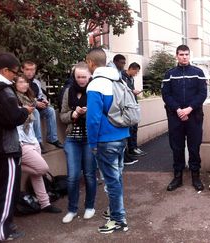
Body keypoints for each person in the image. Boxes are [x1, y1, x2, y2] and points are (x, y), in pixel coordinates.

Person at [86, 48, 130, 233]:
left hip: (105, 140)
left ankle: (118, 220)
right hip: (122, 136)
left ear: (90, 63)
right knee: (116, 178)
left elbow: (93, 119)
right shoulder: (117, 79)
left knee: (111, 181)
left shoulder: (96, 84)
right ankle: (114, 210)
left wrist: (92, 143)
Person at [0, 52, 31, 241]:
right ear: (5, 70)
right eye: (15, 73)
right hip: (4, 149)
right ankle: (1, 233)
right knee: (5, 194)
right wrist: (24, 110)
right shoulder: (2, 90)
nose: (15, 77)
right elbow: (12, 118)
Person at [161, 44, 207, 192]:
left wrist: (189, 109)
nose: (184, 57)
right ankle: (177, 177)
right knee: (177, 147)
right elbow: (166, 95)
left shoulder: (198, 72)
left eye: (186, 54)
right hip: (175, 117)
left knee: (194, 147)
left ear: (189, 55)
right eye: (181, 54)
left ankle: (196, 177)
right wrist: (178, 110)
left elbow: (202, 93)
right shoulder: (169, 74)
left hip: (194, 116)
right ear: (177, 56)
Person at [14, 75, 62, 214]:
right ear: (14, 84)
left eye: (26, 82)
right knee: (42, 168)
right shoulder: (13, 100)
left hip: (32, 139)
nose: (24, 84)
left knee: (37, 175)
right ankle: (15, 166)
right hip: (21, 141)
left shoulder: (30, 100)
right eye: (21, 82)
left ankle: (44, 203)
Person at [59, 62, 97, 224]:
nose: (81, 80)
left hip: (89, 138)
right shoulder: (69, 91)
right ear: (74, 77)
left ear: (89, 77)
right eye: (78, 77)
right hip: (72, 138)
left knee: (89, 175)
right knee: (73, 177)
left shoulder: (94, 91)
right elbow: (62, 116)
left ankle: (90, 206)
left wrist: (88, 113)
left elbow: (100, 115)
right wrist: (74, 113)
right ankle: (72, 209)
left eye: (84, 77)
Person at [22, 61, 63, 154]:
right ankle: (38, 142)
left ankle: (52, 138)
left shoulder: (36, 82)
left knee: (50, 110)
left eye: (32, 70)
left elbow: (40, 95)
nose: (30, 72)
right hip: (27, 110)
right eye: (27, 69)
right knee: (35, 112)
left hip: (38, 107)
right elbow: (21, 98)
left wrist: (45, 101)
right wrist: (36, 103)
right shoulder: (20, 81)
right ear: (22, 70)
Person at [122, 62, 147, 165]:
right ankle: (131, 149)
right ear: (132, 69)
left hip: (133, 106)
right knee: (130, 129)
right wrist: (133, 91)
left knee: (134, 128)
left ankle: (134, 148)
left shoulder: (130, 78)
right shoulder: (122, 77)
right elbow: (125, 92)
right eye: (136, 72)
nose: (136, 74)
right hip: (128, 108)